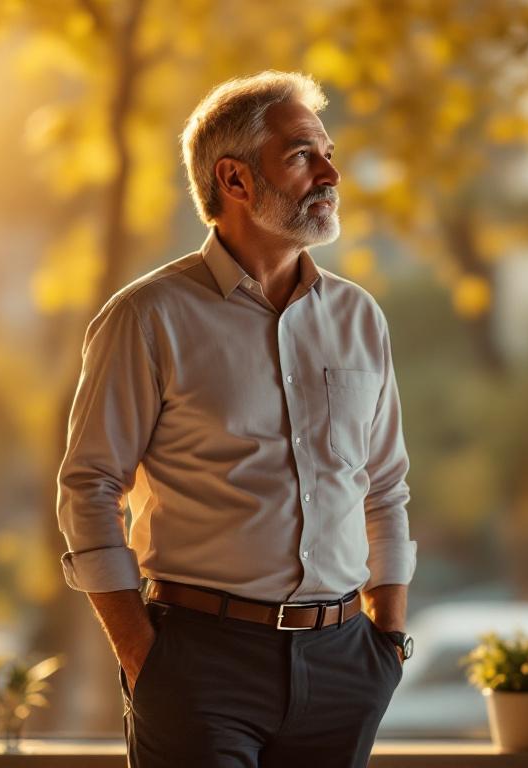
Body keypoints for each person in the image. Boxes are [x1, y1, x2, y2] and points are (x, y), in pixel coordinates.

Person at [55, 70, 416, 768]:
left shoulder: (360, 318)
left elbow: (385, 487)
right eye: (303, 155)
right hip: (198, 665)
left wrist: (388, 640)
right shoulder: (147, 317)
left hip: (346, 663)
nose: (330, 174)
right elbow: (90, 489)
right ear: (235, 179)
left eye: (328, 153)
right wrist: (142, 657)